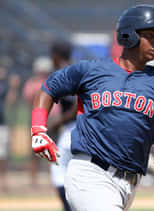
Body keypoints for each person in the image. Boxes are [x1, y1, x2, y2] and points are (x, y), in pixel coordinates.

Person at [30, 4, 154, 211]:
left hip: (129, 184)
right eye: (150, 34)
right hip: (89, 174)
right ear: (129, 35)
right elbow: (48, 89)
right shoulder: (92, 70)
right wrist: (38, 129)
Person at [23, 56, 61, 187]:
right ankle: (33, 181)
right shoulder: (33, 83)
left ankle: (54, 179)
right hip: (40, 119)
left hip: (53, 119)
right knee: (36, 150)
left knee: (53, 150)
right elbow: (29, 100)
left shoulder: (54, 82)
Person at [48, 40, 75, 211]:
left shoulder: (65, 73)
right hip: (77, 129)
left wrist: (61, 119)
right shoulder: (73, 69)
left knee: (58, 170)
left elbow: (78, 102)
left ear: (56, 55)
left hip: (74, 129)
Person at [0, 67, 19, 191]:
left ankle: (3, 181)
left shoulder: (4, 87)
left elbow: (11, 101)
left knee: (2, 154)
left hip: (1, 123)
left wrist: (13, 87)